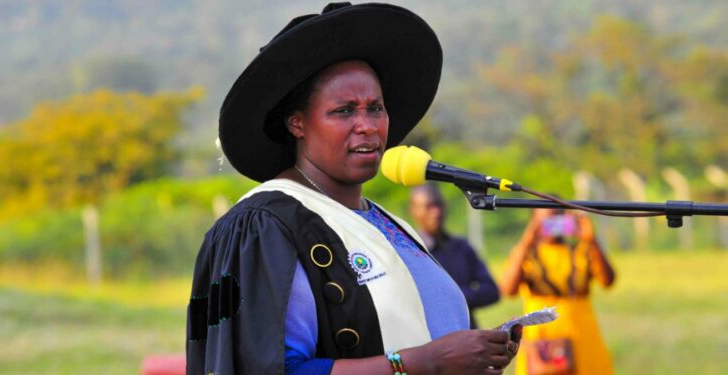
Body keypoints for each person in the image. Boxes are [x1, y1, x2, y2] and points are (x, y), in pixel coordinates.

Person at [186, 3, 521, 375]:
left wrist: (475, 360)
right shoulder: (267, 225)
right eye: (344, 110)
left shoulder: (384, 223)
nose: (367, 126)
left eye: (375, 108)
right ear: (298, 124)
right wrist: (426, 362)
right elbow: (267, 369)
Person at [500, 208, 615, 375]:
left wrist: (592, 240)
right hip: (542, 337)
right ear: (533, 223)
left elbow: (608, 281)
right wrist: (526, 242)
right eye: (546, 221)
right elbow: (508, 290)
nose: (552, 227)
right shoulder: (526, 254)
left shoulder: (581, 251)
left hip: (582, 335)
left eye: (557, 220)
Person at [409, 182, 500, 329]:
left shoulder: (461, 247)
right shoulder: (409, 252)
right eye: (429, 206)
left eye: (439, 205)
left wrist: (453, 296)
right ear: (413, 210)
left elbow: (492, 291)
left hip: (468, 336)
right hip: (430, 343)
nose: (436, 212)